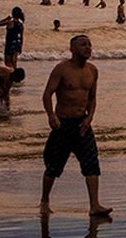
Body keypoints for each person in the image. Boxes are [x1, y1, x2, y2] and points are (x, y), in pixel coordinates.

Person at [40, 35, 111, 218]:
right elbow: (47, 94)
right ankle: (45, 201)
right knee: (53, 166)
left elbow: (92, 98)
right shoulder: (61, 69)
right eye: (83, 45)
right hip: (62, 124)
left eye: (89, 44)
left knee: (92, 164)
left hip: (82, 124)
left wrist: (90, 118)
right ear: (72, 49)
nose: (88, 47)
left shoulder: (92, 71)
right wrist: (51, 116)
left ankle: (94, 205)